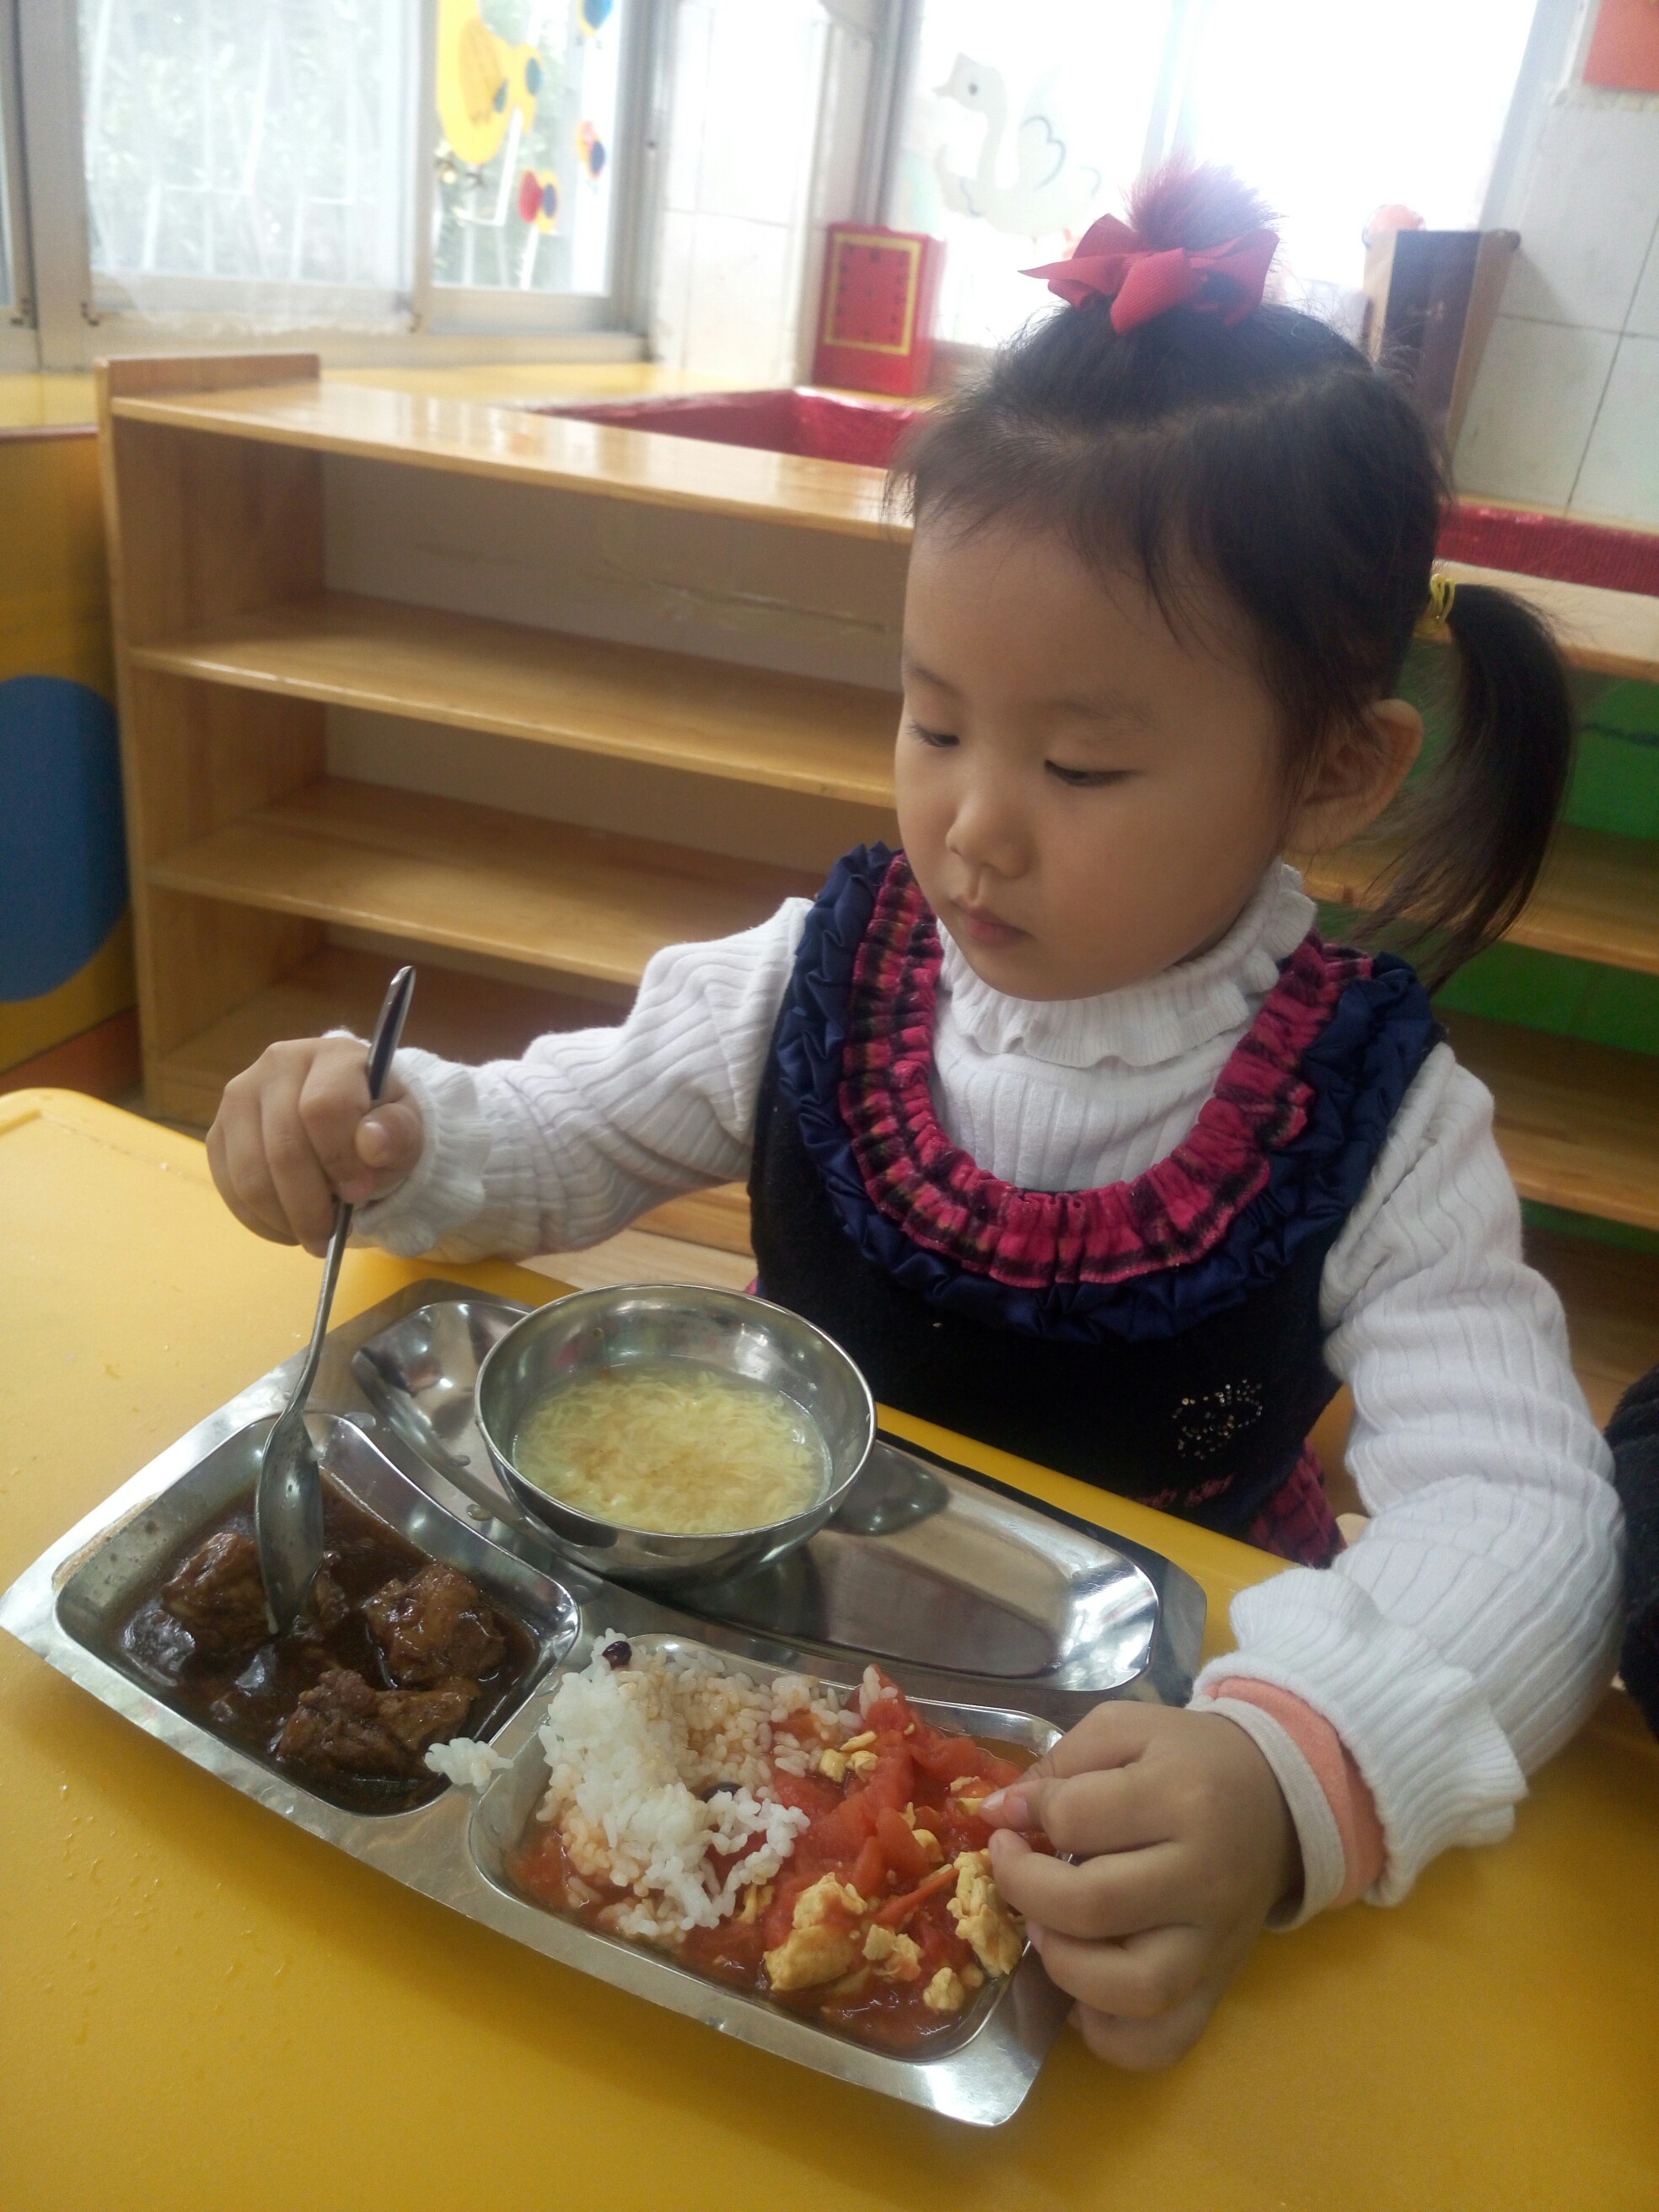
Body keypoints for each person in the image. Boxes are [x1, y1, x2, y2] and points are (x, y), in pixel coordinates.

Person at [207, 165, 1622, 2068]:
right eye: (935, 720)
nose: (971, 823)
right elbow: (568, 1129)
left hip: (1117, 1763)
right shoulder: (834, 967)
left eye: (1081, 763)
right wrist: (390, 1134)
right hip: (751, 1677)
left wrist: (1289, 1777)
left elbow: (1528, 1514)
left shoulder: (1383, 1117)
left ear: (1334, 772)